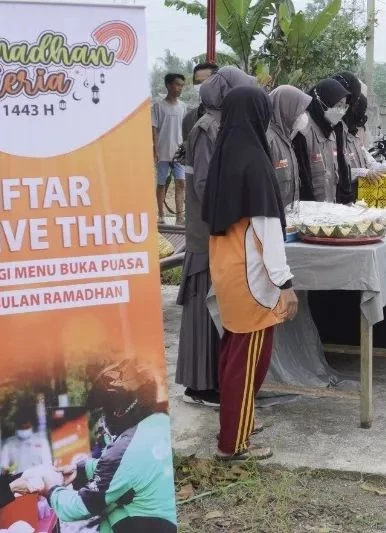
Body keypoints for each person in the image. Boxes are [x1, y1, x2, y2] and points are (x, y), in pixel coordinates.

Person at [203, 86, 297, 460]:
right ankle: (234, 442)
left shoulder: (224, 154)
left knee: (234, 351)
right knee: (249, 357)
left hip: (227, 270)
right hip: (253, 277)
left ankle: (240, 421)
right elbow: (267, 229)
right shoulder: (256, 161)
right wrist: (285, 283)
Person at [176, 66, 257, 408]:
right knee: (203, 307)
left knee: (218, 306)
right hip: (206, 232)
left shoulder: (220, 125)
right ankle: (201, 383)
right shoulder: (206, 129)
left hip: (218, 229)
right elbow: (205, 186)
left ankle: (214, 378)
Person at [39, 360, 177, 533]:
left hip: (147, 524)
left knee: (106, 509)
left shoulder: (124, 448)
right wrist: (80, 469)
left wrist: (50, 490)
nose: (104, 419)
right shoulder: (160, 422)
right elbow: (131, 469)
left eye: (106, 411)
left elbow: (81, 506)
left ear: (119, 410)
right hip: (167, 519)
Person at [294, 78, 350, 202]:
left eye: (344, 106)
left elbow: (338, 174)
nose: (341, 111)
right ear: (324, 100)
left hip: (329, 210)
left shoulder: (332, 131)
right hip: (310, 212)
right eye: (338, 105)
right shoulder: (304, 129)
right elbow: (303, 180)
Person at [267, 85, 312, 207]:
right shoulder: (269, 139)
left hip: (290, 219)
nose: (303, 115)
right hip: (274, 220)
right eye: (300, 110)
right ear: (286, 108)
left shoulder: (287, 138)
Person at [152, 73, 187, 224]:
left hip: (179, 153)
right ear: (168, 85)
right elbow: (154, 129)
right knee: (161, 184)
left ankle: (180, 217)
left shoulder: (183, 106)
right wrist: (155, 150)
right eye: (177, 85)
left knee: (181, 183)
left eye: (181, 85)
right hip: (163, 152)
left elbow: (185, 129)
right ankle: (160, 214)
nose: (180, 88)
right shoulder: (158, 106)